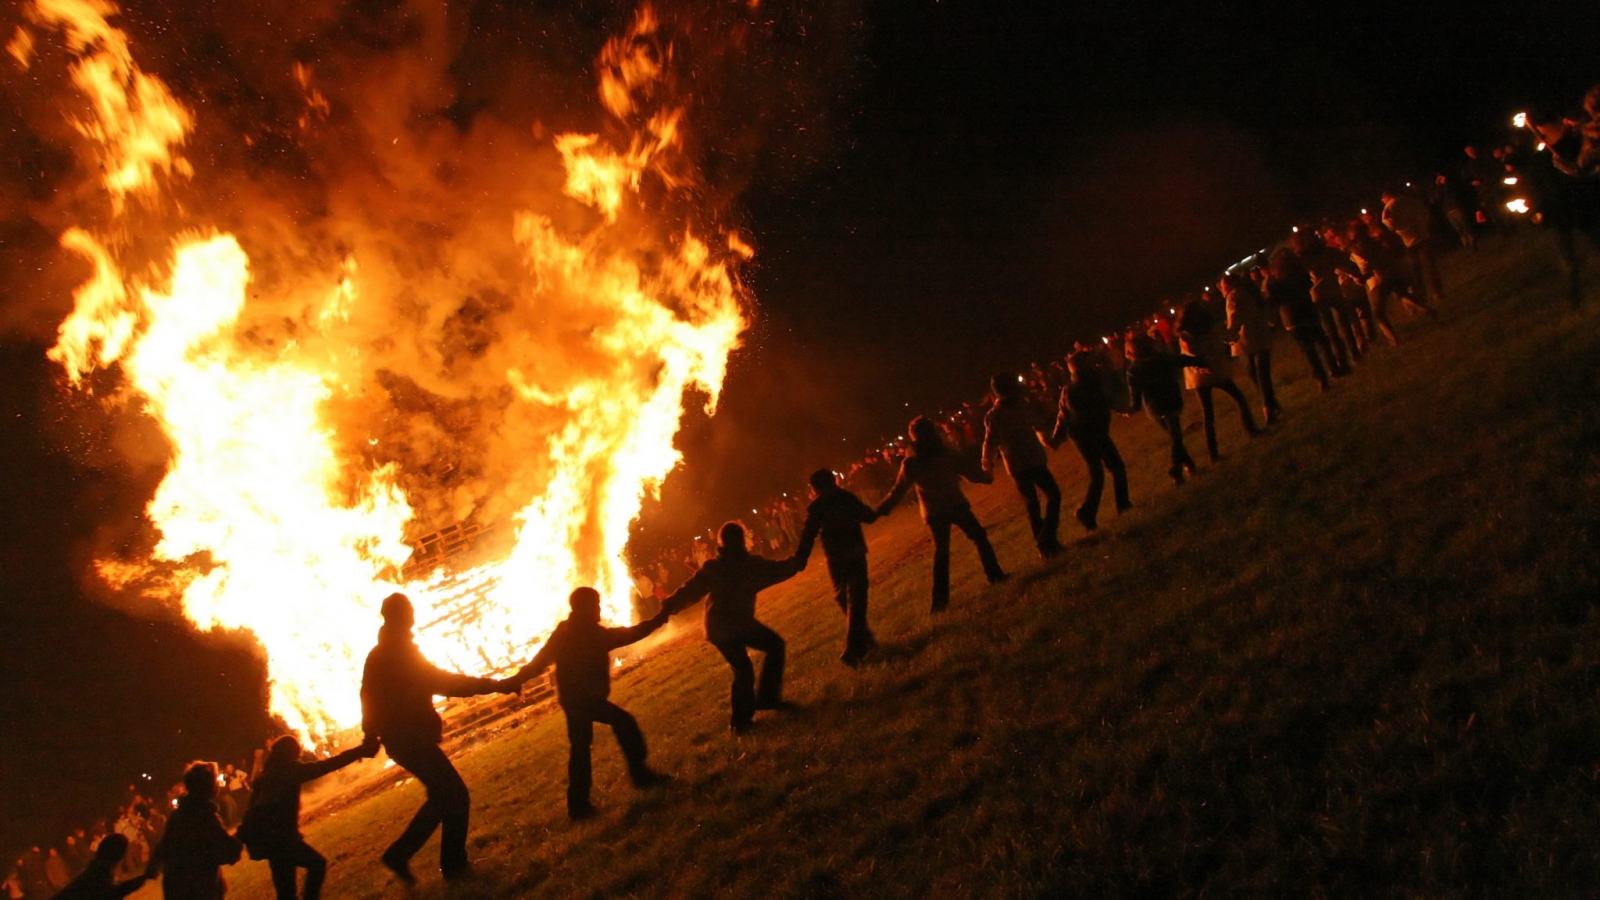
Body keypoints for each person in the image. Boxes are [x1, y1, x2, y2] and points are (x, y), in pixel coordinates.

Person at [360, 592, 517, 882]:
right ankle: (453, 865)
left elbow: (367, 696)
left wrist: (370, 734)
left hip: (402, 739)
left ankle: (399, 855)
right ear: (403, 616)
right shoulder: (399, 653)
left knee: (442, 796)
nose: (412, 616)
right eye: (409, 611)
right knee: (455, 795)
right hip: (410, 739)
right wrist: (497, 685)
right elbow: (446, 682)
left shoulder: (382, 652)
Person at [509, 588, 670, 819]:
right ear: (586, 607)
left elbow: (539, 661)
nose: (599, 609)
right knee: (622, 723)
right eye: (596, 604)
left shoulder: (564, 631)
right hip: (585, 699)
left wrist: (516, 680)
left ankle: (579, 804)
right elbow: (629, 635)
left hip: (572, 698)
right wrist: (657, 620)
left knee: (582, 747)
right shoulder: (589, 634)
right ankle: (639, 776)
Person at [660, 523, 804, 733]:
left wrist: (669, 606)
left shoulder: (714, 567)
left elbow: (690, 591)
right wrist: (797, 561)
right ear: (743, 540)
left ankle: (758, 706)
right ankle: (744, 719)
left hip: (720, 626)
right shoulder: (749, 565)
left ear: (721, 543)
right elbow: (778, 570)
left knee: (750, 663)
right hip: (733, 624)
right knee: (757, 659)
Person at [875, 417, 1006, 612]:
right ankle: (994, 575)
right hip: (955, 504)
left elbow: (898, 491)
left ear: (914, 436)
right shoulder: (946, 453)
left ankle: (939, 602)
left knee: (942, 553)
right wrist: (986, 477)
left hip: (934, 511)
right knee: (979, 537)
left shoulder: (912, 461)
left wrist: (879, 510)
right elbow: (970, 473)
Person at [238, 736, 377, 900]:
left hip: (271, 842)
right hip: (282, 839)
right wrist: (359, 751)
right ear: (290, 752)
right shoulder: (288, 770)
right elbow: (327, 766)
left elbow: (251, 809)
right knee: (317, 865)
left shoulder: (266, 775)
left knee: (286, 893)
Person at [793, 468, 881, 665]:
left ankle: (858, 644)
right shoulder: (846, 497)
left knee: (844, 597)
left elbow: (809, 533)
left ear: (815, 487)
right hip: (854, 551)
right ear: (832, 480)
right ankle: (861, 643)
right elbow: (867, 516)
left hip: (836, 556)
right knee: (855, 598)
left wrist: (801, 557)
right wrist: (877, 510)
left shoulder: (817, 505)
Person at [980, 372, 1063, 558]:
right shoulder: (1017, 407)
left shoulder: (995, 415)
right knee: (1052, 496)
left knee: (1032, 505)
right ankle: (1046, 540)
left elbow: (990, 443)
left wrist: (987, 465)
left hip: (1017, 465)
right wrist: (1049, 440)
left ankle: (1045, 543)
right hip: (1032, 460)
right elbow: (1039, 425)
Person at [1049, 351, 1130, 531]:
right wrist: (1123, 408)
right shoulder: (1089, 383)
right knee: (1113, 468)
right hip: (1093, 432)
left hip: (1082, 434)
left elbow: (1063, 415)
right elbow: (1105, 400)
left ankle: (1095, 510)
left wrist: (1057, 438)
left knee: (1101, 472)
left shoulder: (1070, 387)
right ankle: (1103, 508)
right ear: (1083, 366)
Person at [1176, 299, 1261, 463]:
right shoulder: (1201, 329)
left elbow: (1192, 352)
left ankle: (1213, 453)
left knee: (1208, 414)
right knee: (1238, 399)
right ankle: (1250, 430)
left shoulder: (1186, 333)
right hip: (1210, 371)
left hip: (1200, 375)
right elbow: (1195, 350)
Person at [147, 763, 242, 900]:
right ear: (208, 787)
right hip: (199, 890)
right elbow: (228, 852)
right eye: (215, 780)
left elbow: (163, 846)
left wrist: (153, 866)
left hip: (175, 889)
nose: (218, 784)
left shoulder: (178, 814)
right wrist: (241, 834)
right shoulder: (204, 815)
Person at [1218, 273, 1281, 423]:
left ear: (1228, 285)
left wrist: (1230, 334)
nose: (1221, 289)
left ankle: (1269, 408)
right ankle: (1271, 404)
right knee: (1263, 373)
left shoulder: (1233, 297)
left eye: (1222, 285)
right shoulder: (1250, 292)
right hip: (1260, 334)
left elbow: (1234, 316)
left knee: (1255, 374)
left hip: (1246, 339)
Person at [48, 836, 148, 900]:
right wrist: (145, 877)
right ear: (117, 857)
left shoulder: (96, 870)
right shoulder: (98, 875)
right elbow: (113, 892)